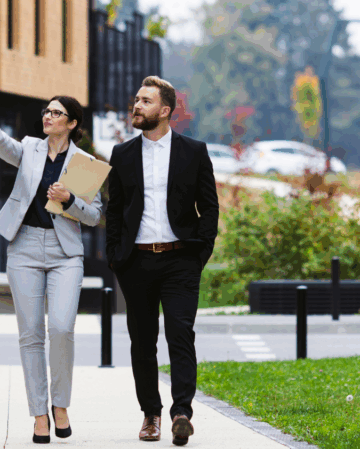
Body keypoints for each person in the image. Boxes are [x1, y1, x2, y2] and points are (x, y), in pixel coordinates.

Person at [0, 71, 105, 444]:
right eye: (46, 111)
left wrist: (70, 200)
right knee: (30, 336)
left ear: (72, 123)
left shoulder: (86, 164)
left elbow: (94, 216)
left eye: (56, 113)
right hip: (24, 246)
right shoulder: (29, 148)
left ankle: (61, 404)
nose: (47, 116)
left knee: (61, 328)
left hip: (65, 253)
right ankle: (40, 414)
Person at [104, 76, 219, 446]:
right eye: (136, 99)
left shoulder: (194, 151)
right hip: (136, 261)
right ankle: (150, 414)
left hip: (180, 259)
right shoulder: (121, 154)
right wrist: (116, 257)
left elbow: (210, 207)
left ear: (165, 111)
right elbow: (115, 209)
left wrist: (199, 252)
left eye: (146, 101)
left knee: (180, 334)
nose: (136, 106)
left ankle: (181, 412)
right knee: (143, 341)